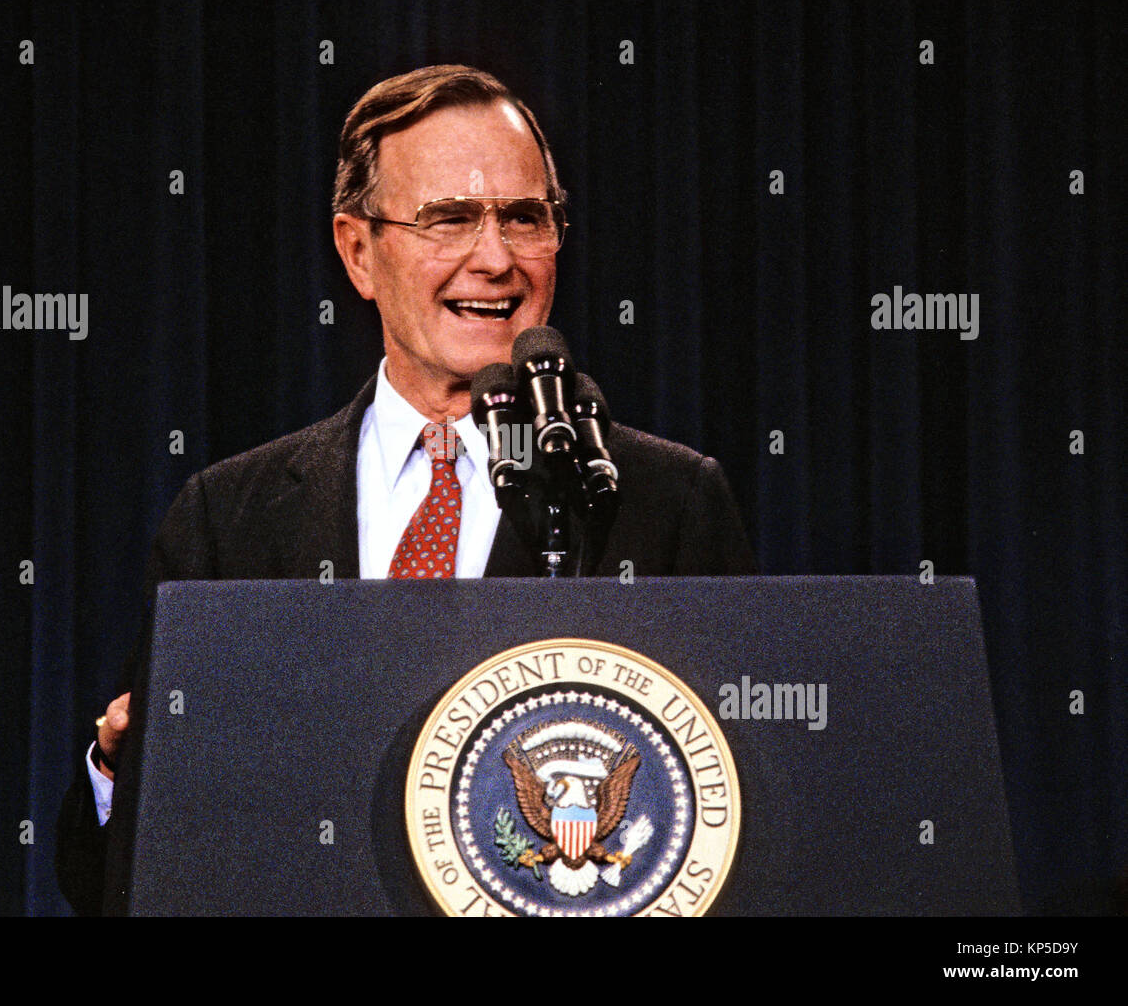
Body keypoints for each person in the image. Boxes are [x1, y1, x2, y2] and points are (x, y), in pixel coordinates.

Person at [55, 65, 756, 915]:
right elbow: (108, 884)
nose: (494, 259)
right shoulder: (227, 517)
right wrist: (114, 773)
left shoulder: (664, 502)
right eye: (449, 219)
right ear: (358, 251)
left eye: (524, 218)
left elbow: (734, 831)